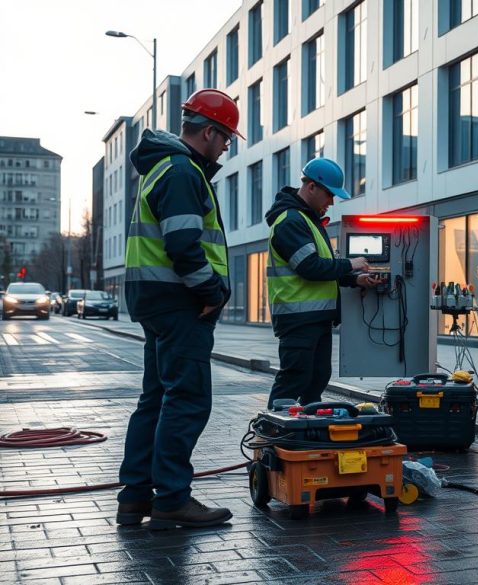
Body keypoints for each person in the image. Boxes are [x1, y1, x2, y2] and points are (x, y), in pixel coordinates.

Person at [117, 89, 243, 530]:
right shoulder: (181, 171)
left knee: (155, 398)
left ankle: (134, 497)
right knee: (186, 400)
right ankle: (171, 498)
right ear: (208, 131)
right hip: (179, 303)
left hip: (157, 301)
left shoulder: (162, 168)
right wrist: (211, 291)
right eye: (226, 137)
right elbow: (183, 243)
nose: (227, 146)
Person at [265, 158, 381, 408]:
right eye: (329, 195)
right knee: (294, 379)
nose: (331, 202)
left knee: (315, 380)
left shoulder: (307, 220)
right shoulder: (290, 221)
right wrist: (352, 264)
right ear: (311, 187)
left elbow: (322, 268)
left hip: (314, 318)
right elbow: (310, 267)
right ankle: (272, 436)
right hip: (298, 319)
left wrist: (355, 280)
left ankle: (307, 435)